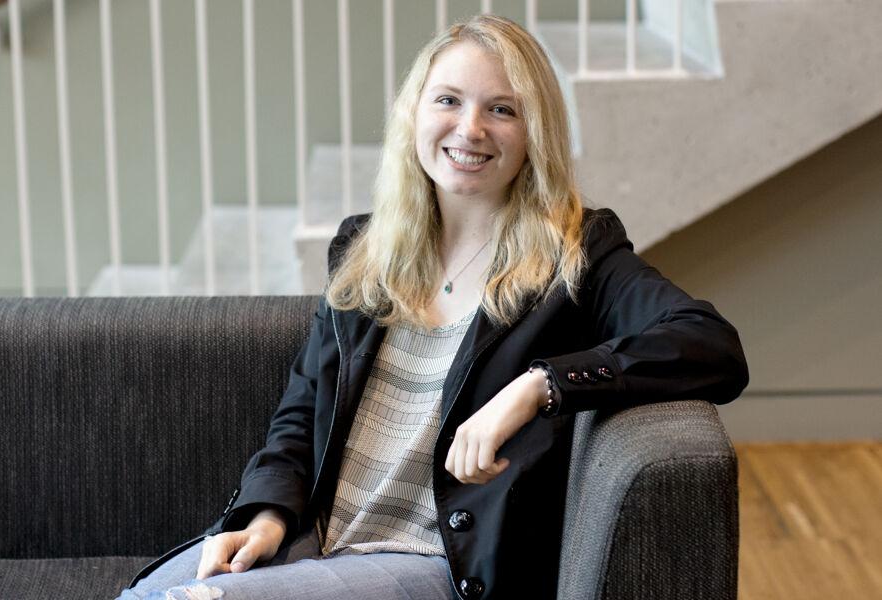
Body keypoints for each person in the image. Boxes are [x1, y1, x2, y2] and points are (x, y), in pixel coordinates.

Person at [119, 13, 748, 600]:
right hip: (315, 536)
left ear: (535, 134)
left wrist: (539, 386)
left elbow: (709, 342)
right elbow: (300, 414)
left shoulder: (576, 255)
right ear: (414, 112)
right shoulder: (365, 249)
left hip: (434, 562)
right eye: (448, 100)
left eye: (501, 109)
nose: (470, 129)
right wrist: (266, 516)